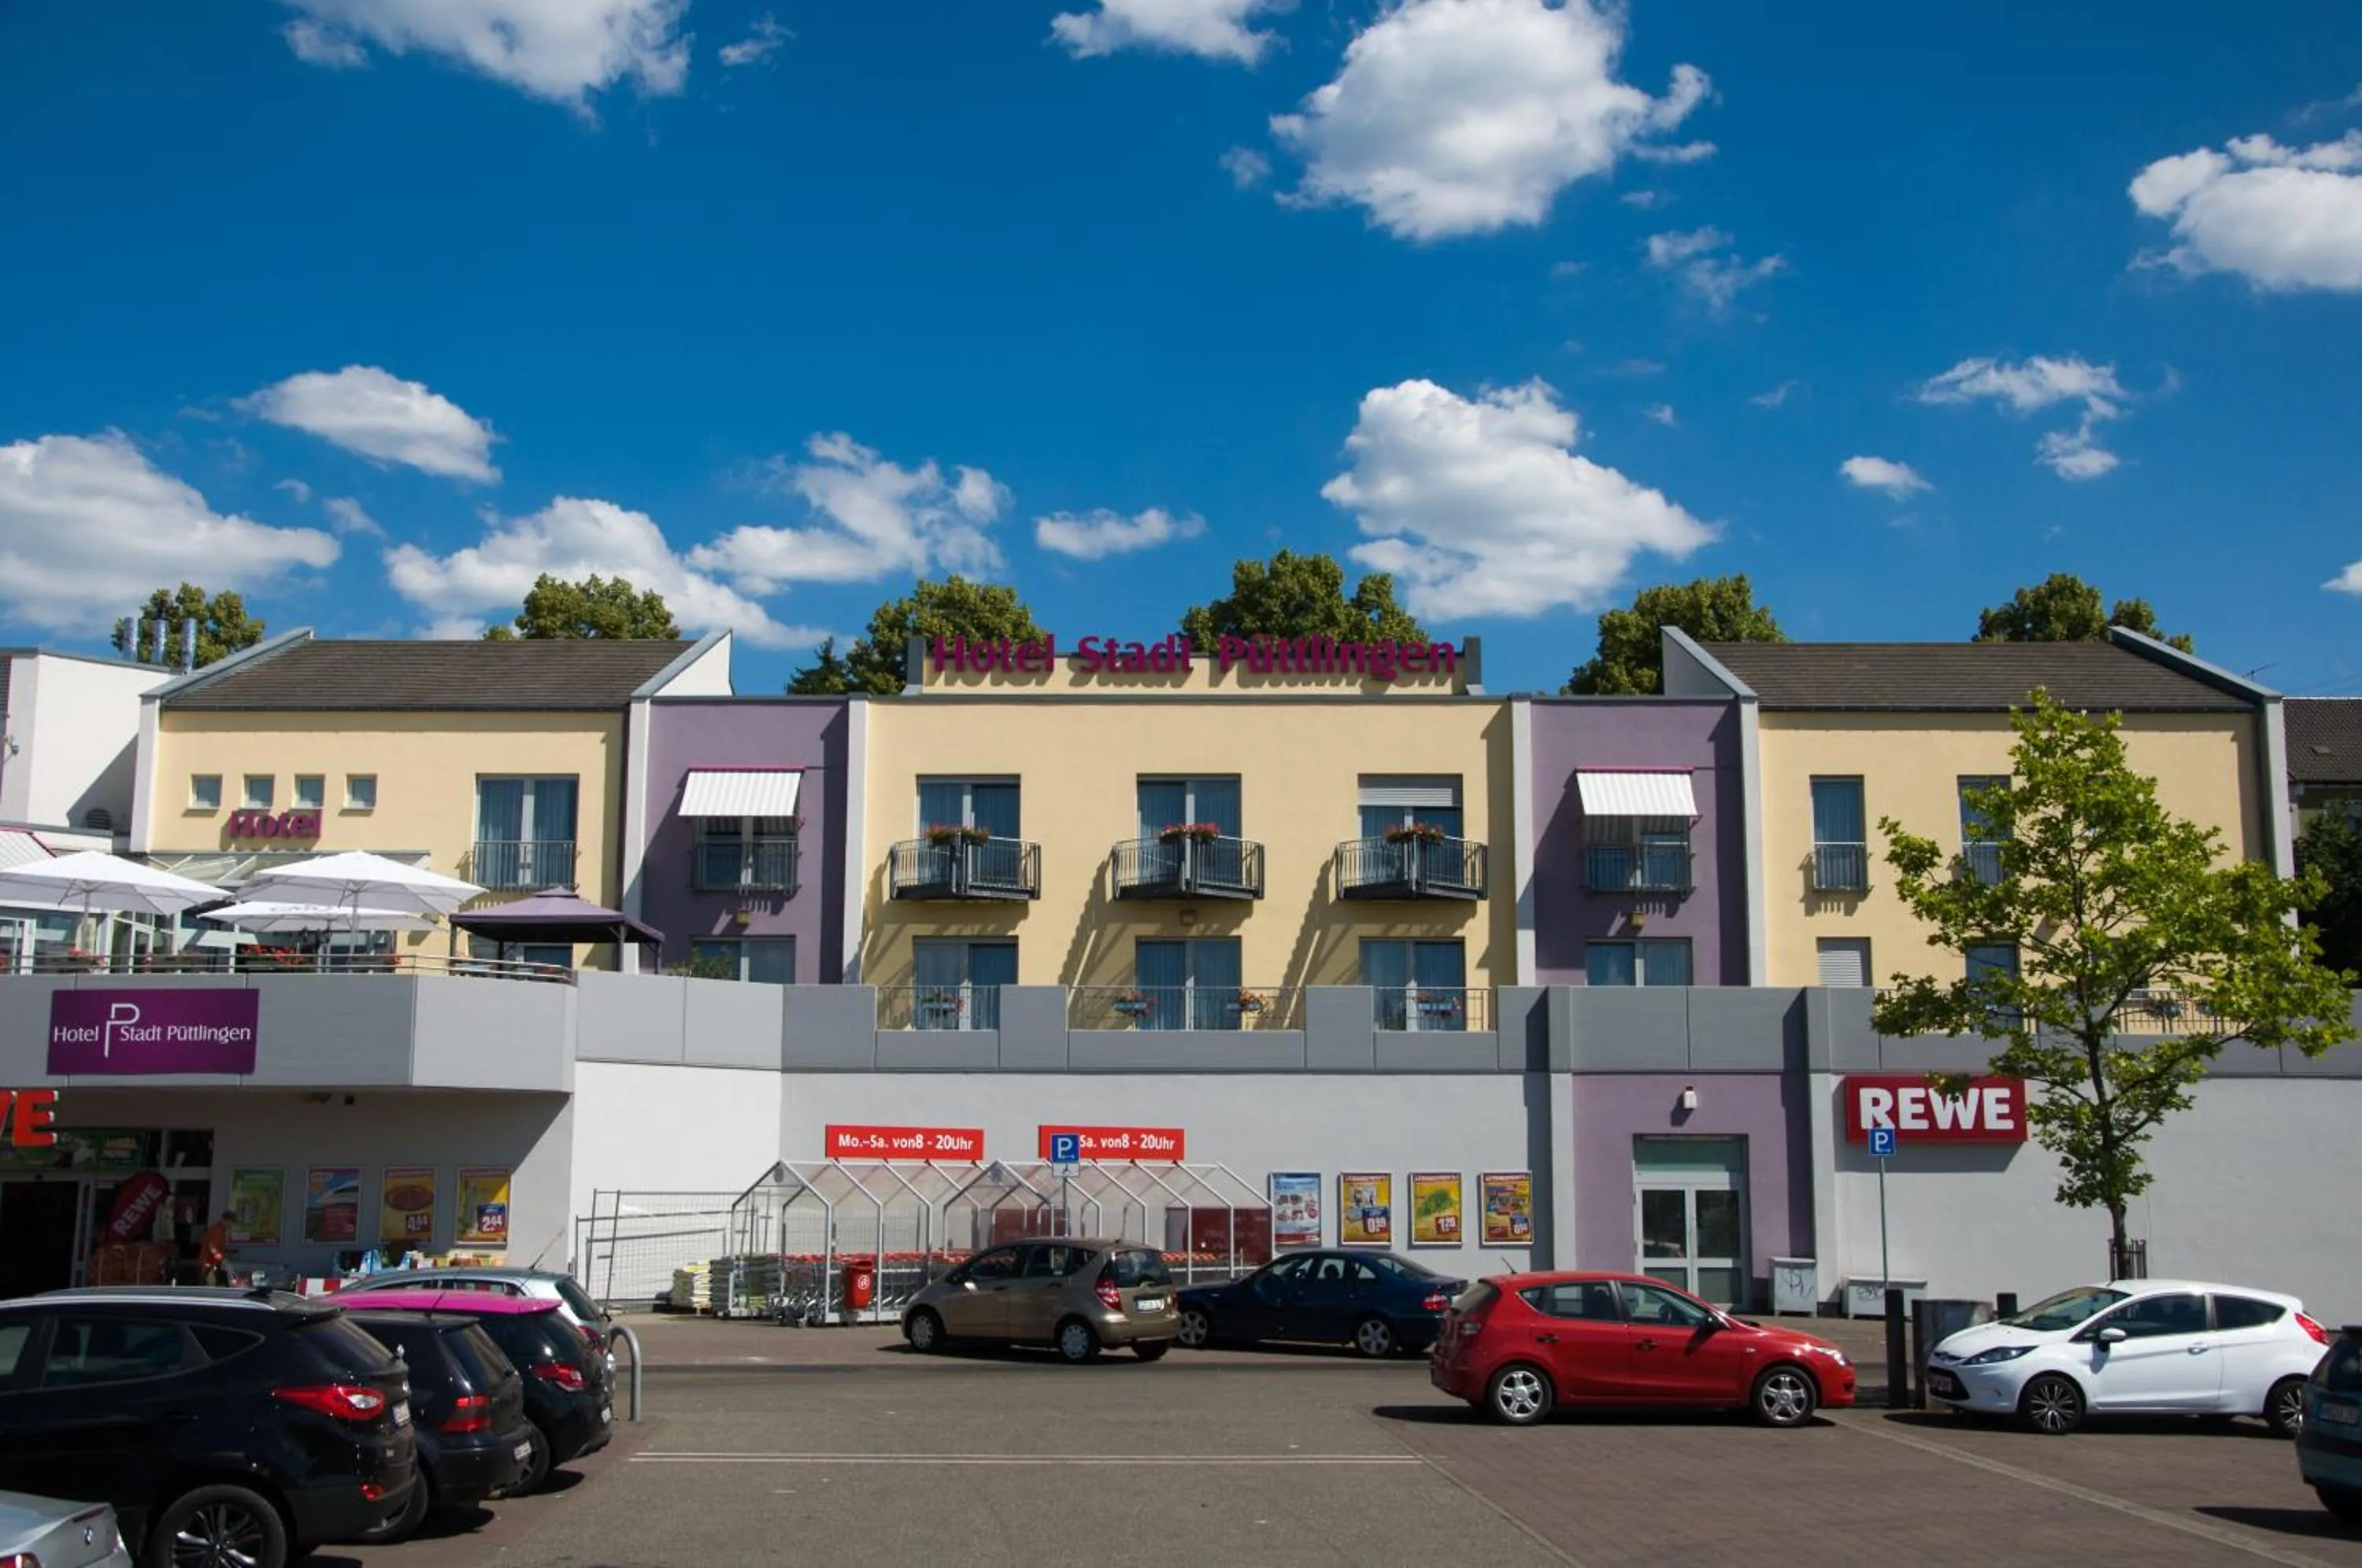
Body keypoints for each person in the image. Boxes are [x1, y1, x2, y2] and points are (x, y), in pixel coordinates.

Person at [199, 1211, 231, 1286]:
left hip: (213, 1264)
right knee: (210, 1288)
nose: (231, 1226)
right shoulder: (217, 1230)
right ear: (225, 1220)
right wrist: (221, 1258)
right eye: (231, 1223)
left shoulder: (222, 1231)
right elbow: (212, 1247)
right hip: (208, 1265)